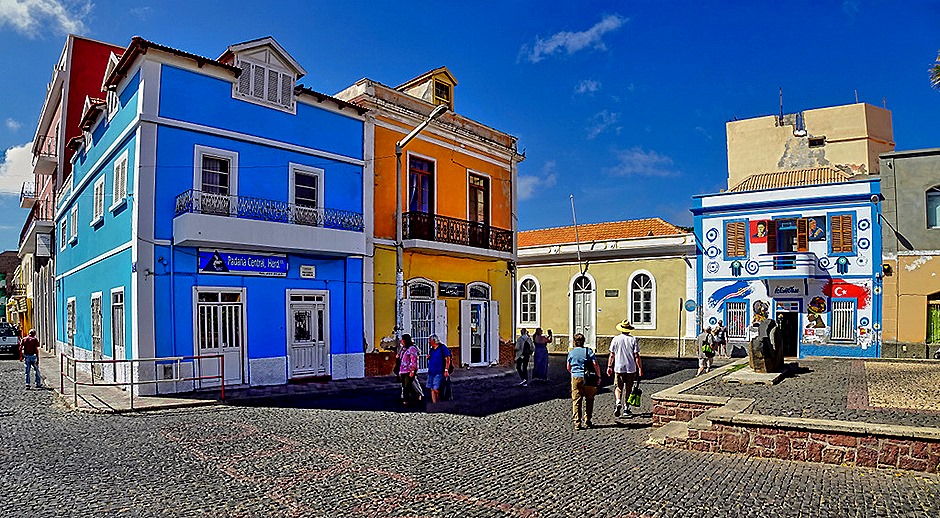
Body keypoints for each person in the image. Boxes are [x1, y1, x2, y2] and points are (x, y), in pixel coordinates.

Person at [607, 320, 642, 418]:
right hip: (631, 368)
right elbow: (636, 356)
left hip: (619, 367)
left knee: (618, 387)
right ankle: (626, 408)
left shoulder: (615, 339)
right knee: (628, 388)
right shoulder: (633, 339)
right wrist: (640, 368)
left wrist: (609, 366)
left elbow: (612, 355)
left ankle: (618, 401)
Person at [567, 333, 601, 430]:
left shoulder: (571, 352)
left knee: (576, 400)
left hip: (576, 377)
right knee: (589, 399)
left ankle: (577, 422)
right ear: (584, 341)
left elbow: (568, 367)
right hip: (588, 378)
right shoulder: (588, 351)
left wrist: (574, 373)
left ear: (574, 342)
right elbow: (595, 364)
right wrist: (598, 376)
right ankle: (588, 419)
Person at [425, 334, 452, 403]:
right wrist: (429, 357)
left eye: (430, 341)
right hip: (431, 371)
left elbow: (448, 359)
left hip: (439, 371)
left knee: (436, 388)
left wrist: (446, 370)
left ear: (434, 341)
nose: (429, 342)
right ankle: (435, 403)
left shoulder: (442, 348)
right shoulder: (431, 349)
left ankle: (438, 402)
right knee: (432, 389)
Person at [398, 334, 422, 405]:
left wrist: (412, 370)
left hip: (409, 370)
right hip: (403, 370)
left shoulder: (412, 349)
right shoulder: (403, 348)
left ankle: (406, 400)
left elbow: (413, 360)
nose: (401, 341)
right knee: (406, 385)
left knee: (406, 386)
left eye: (402, 340)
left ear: (405, 340)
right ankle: (417, 395)